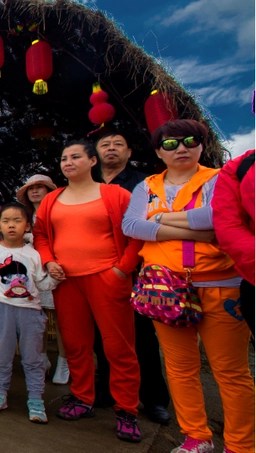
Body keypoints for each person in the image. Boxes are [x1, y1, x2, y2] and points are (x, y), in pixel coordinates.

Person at [122, 119, 254, 453]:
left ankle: (240, 445)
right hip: (164, 288)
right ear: (158, 151)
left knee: (231, 371)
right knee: (179, 367)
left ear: (201, 145)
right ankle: (196, 437)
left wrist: (161, 218)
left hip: (221, 285)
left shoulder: (219, 178)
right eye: (170, 144)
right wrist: (194, 227)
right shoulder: (146, 186)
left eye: (190, 141)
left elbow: (216, 221)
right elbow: (132, 225)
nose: (181, 148)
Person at [33, 139, 143, 443]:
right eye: (64, 158)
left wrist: (122, 269)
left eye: (75, 156)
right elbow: (41, 235)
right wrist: (49, 261)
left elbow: (136, 233)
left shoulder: (116, 194)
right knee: (76, 344)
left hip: (107, 278)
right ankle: (82, 398)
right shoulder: (52, 199)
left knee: (118, 347)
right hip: (66, 281)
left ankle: (127, 410)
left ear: (92, 161)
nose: (67, 162)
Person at [94, 130, 171, 425]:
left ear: (129, 152)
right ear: (95, 155)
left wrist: (124, 266)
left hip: (136, 271)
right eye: (105, 145)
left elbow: (149, 223)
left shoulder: (144, 184)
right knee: (102, 336)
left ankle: (154, 398)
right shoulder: (87, 185)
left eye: (118, 144)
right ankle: (108, 390)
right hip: (96, 272)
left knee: (142, 338)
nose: (111, 149)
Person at [0, 202, 58, 423]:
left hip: (31, 313)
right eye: (6, 221)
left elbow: (41, 284)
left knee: (33, 359)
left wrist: (55, 278)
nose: (11, 225)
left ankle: (35, 399)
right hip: (2, 311)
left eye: (17, 220)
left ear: (28, 226)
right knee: (1, 356)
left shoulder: (34, 254)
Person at [16, 174, 69, 385]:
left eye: (40, 187)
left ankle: (64, 361)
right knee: (38, 320)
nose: (35, 191)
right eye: (31, 188)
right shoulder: (25, 216)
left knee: (62, 321)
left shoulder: (59, 213)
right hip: (33, 273)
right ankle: (43, 358)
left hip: (56, 269)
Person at [212, 149, 255, 336]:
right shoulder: (240, 166)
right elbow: (227, 224)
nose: (181, 149)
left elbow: (205, 220)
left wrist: (158, 218)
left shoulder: (211, 176)